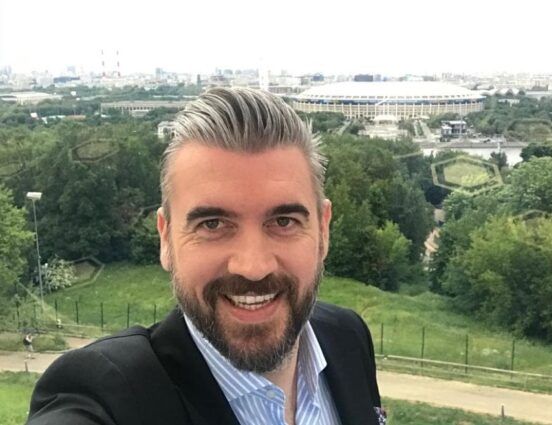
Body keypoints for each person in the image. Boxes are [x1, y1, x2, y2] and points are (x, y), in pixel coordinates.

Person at [28, 88, 383, 425]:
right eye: (212, 224)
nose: (253, 267)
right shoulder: (104, 394)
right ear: (166, 238)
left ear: (323, 230)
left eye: (283, 221)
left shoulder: (346, 337)